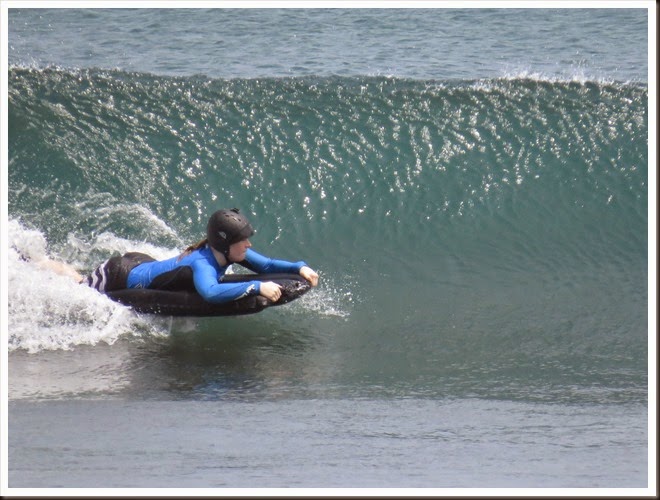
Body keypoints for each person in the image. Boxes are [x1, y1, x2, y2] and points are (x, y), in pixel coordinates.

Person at [43, 208, 318, 304]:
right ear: (225, 244)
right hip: (119, 275)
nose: (248, 244)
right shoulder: (203, 263)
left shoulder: (230, 252)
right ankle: (39, 263)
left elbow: (267, 265)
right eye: (242, 240)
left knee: (78, 279)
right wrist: (257, 286)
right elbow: (210, 293)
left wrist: (300, 267)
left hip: (143, 264)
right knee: (78, 285)